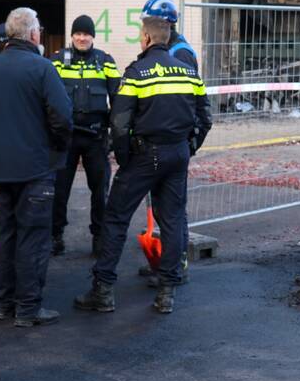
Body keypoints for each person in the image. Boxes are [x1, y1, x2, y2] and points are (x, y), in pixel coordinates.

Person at [74, 17, 212, 315]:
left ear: (147, 38)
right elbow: (206, 117)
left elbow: (119, 122)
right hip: (177, 154)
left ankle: (103, 291)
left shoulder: (137, 72)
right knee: (172, 221)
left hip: (145, 156)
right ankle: (166, 293)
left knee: (116, 218)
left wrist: (125, 158)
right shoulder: (189, 72)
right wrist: (188, 147)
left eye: (140, 36)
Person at [0, 7, 73, 327]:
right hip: (36, 168)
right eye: (39, 29)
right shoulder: (43, 68)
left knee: (5, 235)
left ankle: (4, 303)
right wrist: (57, 148)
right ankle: (28, 308)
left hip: (2, 169)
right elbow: (63, 117)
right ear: (32, 34)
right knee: (34, 238)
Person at [138, 0, 199, 285]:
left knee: (172, 210)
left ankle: (176, 266)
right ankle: (166, 262)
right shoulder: (168, 49)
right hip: (163, 144)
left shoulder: (180, 53)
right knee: (163, 208)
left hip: (173, 143)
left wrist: (189, 144)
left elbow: (192, 103)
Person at [50, 15, 121, 257]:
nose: (82, 38)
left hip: (96, 137)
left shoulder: (105, 61)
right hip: (65, 137)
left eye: (86, 34)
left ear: (93, 36)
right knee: (59, 190)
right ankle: (55, 235)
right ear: (71, 36)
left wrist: (115, 133)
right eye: (78, 34)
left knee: (100, 191)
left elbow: (119, 99)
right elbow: (47, 98)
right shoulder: (57, 61)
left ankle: (99, 237)